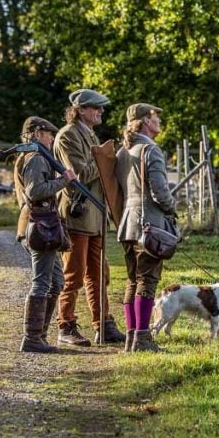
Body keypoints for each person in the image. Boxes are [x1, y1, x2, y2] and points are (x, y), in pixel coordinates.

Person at [53, 89, 125, 345]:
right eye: (96, 107)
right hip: (78, 212)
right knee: (73, 273)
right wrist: (106, 159)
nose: (101, 111)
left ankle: (103, 324)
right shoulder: (67, 136)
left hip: (95, 215)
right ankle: (65, 325)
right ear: (81, 110)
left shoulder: (89, 134)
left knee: (99, 274)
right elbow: (80, 174)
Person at [115, 103, 176, 352]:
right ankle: (142, 339)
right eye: (155, 117)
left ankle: (132, 337)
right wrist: (171, 208)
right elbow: (160, 192)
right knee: (148, 281)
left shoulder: (123, 152)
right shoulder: (150, 150)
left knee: (132, 281)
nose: (159, 120)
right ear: (145, 122)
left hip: (128, 223)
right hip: (150, 224)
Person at [14, 116, 77, 353]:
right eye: (49, 134)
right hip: (41, 225)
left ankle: (39, 336)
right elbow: (36, 191)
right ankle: (32, 338)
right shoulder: (37, 158)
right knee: (41, 283)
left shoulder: (34, 156)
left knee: (57, 282)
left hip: (44, 224)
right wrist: (63, 181)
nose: (52, 138)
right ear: (38, 134)